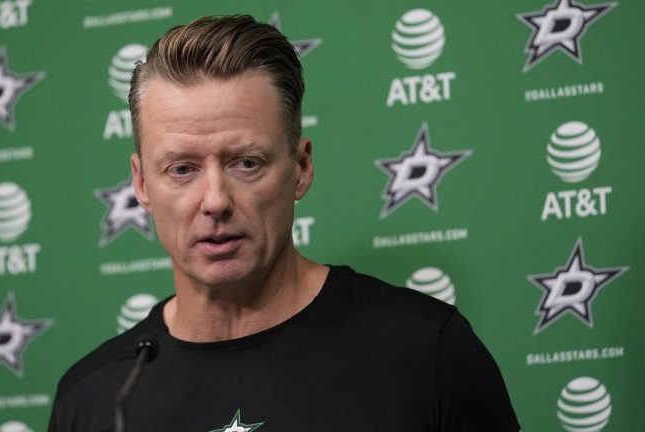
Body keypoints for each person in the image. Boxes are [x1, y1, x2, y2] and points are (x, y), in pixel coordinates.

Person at [49, 15, 520, 431]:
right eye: (182, 169)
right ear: (142, 184)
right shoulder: (94, 398)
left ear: (301, 166)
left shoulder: (427, 354)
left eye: (246, 163)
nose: (215, 201)